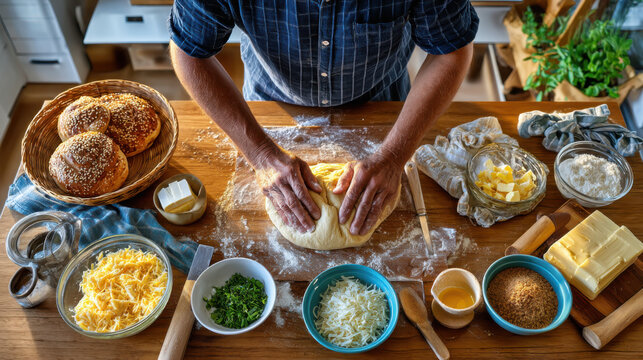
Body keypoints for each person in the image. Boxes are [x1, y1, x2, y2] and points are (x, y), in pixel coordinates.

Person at [169, 0, 478, 236]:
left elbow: (452, 51)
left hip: (384, 103)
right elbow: (188, 52)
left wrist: (395, 155)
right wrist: (261, 155)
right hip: (270, 105)